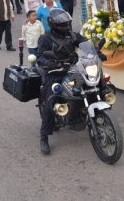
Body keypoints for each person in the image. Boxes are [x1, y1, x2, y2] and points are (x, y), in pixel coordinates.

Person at [36, 9, 89, 155]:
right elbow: (40, 57)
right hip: (54, 73)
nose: (67, 25)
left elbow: (86, 44)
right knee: (51, 100)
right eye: (64, 23)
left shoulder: (72, 35)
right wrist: (50, 63)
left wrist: (98, 52)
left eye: (67, 22)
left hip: (73, 70)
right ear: (55, 25)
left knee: (91, 85)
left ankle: (81, 115)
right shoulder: (45, 39)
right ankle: (44, 137)